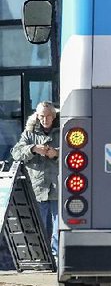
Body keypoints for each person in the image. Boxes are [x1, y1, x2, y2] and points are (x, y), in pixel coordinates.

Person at [11, 101, 60, 264]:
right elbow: (16, 153)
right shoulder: (29, 133)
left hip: (58, 187)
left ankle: (57, 255)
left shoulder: (63, 130)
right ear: (37, 117)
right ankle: (41, 256)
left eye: (48, 116)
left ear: (53, 116)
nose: (45, 119)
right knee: (39, 225)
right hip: (37, 187)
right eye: (41, 116)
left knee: (58, 226)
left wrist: (57, 153)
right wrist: (32, 149)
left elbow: (76, 152)